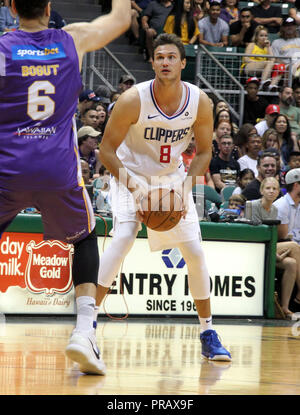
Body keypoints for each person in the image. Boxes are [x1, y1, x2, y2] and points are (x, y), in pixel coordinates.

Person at [0, 0, 131, 376]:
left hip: (8, 167)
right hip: (56, 169)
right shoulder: (72, 40)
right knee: (85, 239)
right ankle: (84, 331)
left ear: (11, 8)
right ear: (49, 6)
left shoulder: (3, 48)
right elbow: (121, 18)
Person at [94, 33, 231, 362]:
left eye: (172, 57)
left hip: (172, 178)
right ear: (152, 63)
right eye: (160, 57)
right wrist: (138, 189)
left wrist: (183, 192)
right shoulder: (132, 99)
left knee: (195, 252)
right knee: (124, 237)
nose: (165, 62)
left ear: (183, 63)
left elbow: (203, 153)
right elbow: (106, 152)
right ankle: (87, 325)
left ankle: (208, 332)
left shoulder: (199, 102)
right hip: (130, 174)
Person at [246, 177, 300, 319]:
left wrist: (275, 255)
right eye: (268, 188)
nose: (271, 191)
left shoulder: (275, 209)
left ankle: (285, 308)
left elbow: (272, 238)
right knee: (294, 246)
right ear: (261, 190)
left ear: (278, 192)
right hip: (253, 251)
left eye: (274, 188)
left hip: (269, 251)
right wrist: (275, 254)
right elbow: (253, 237)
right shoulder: (251, 205)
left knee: (291, 263)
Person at [241, 26, 279, 92]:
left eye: (266, 36)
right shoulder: (252, 45)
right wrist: (258, 62)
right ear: (256, 37)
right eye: (261, 36)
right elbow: (246, 59)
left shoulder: (267, 48)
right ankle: (262, 83)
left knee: (278, 66)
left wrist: (269, 47)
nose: (264, 38)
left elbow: (273, 60)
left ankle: (271, 86)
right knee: (268, 62)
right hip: (248, 67)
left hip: (261, 68)